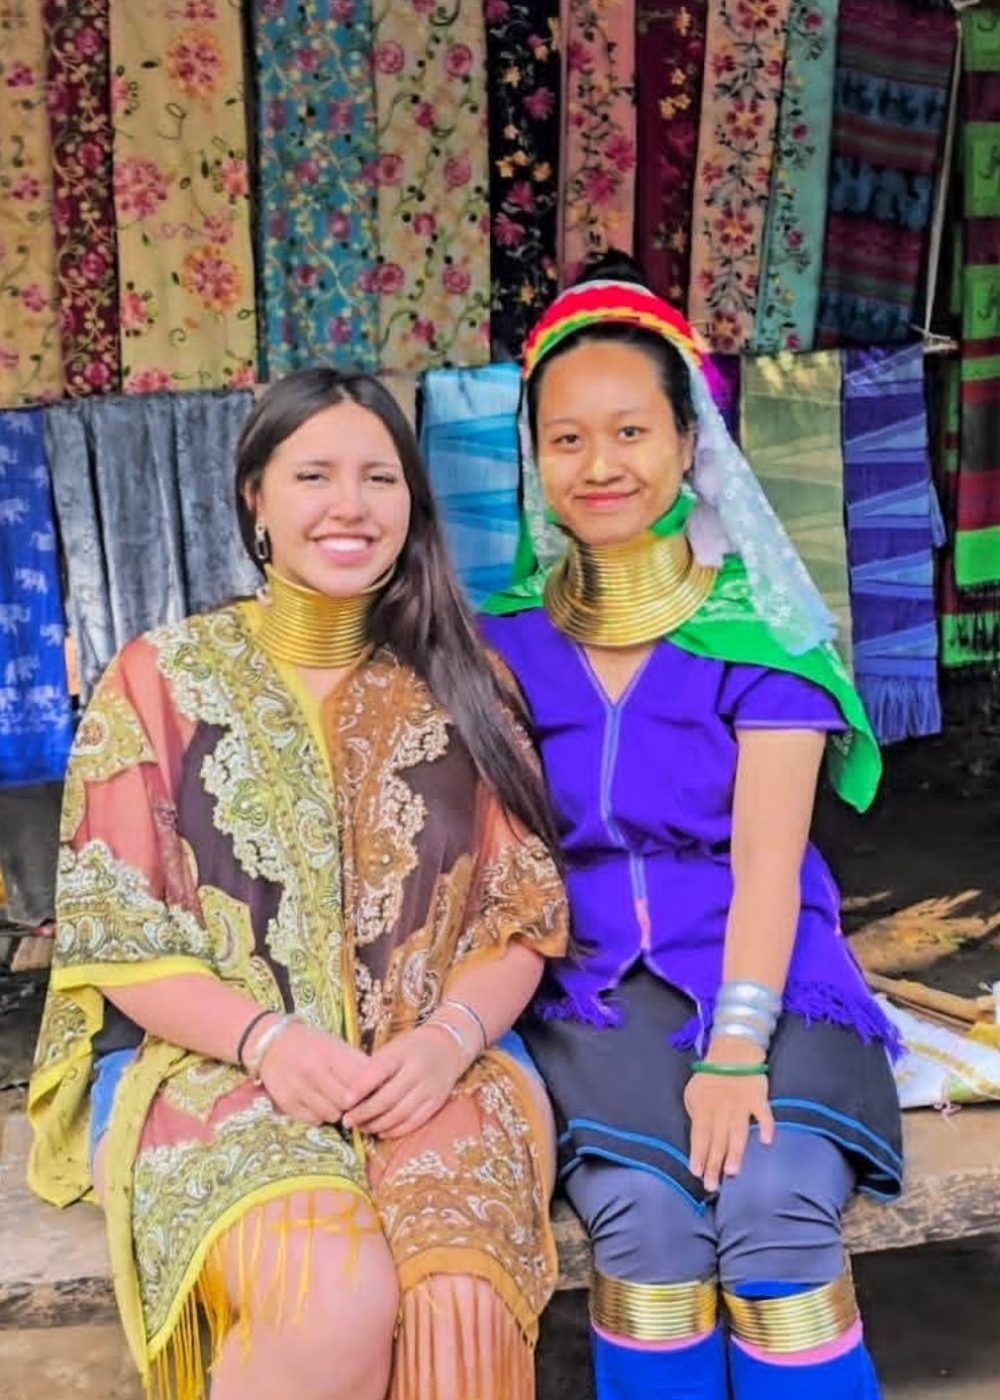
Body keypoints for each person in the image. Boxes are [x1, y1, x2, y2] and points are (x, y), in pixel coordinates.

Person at [28, 368, 569, 1400]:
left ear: (411, 504)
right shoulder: (158, 677)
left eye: (378, 476)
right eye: (313, 473)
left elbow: (522, 913)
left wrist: (445, 1039)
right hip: (211, 1059)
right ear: (255, 499)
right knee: (329, 1294)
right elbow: (119, 935)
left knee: (457, 1299)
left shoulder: (468, 679)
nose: (349, 504)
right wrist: (269, 1041)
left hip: (441, 1057)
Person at [480, 258, 903, 1400]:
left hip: (770, 977)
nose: (599, 463)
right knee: (651, 1225)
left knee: (773, 1216)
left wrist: (734, 1047)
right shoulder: (499, 646)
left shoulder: (761, 629)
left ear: (687, 443)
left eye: (630, 429)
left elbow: (770, 862)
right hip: (587, 996)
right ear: (533, 458)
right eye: (565, 438)